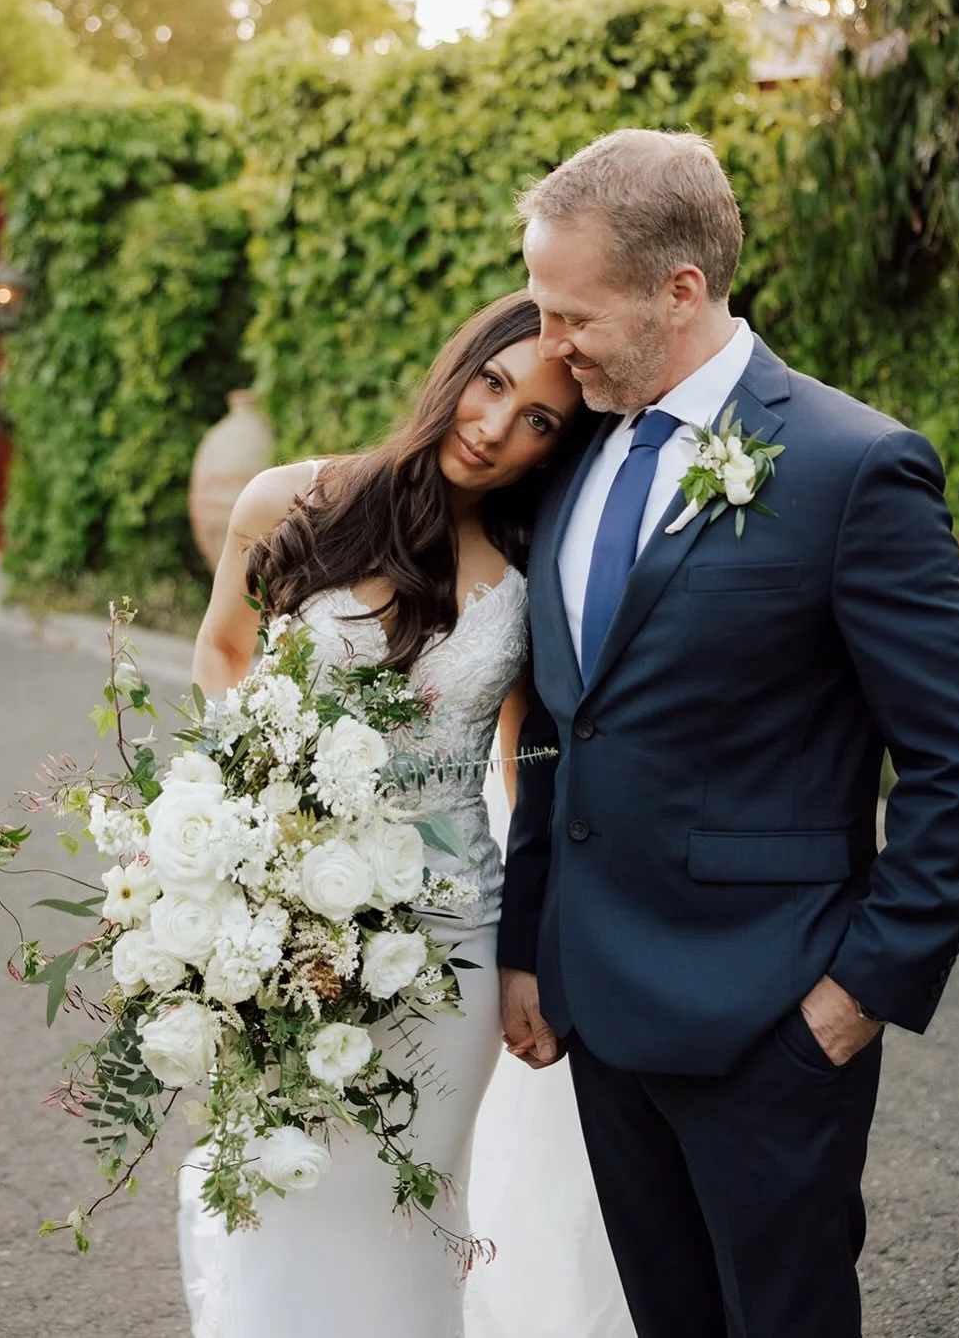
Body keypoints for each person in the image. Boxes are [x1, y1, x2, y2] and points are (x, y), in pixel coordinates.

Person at [498, 127, 959, 1338]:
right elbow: (570, 726)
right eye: (541, 310)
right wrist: (531, 941)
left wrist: (853, 997)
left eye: (574, 317)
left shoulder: (853, 467)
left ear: (681, 289)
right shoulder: (574, 456)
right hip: (599, 1014)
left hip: (774, 1023)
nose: (548, 347)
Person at [178, 290, 626, 1338]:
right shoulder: (293, 503)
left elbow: (528, 758)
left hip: (450, 945)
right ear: (457, 365)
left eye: (540, 422)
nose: (496, 428)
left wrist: (529, 946)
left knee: (408, 1203)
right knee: (285, 1191)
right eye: (495, 384)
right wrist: (237, 823)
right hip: (286, 925)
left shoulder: (527, 572)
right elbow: (222, 653)